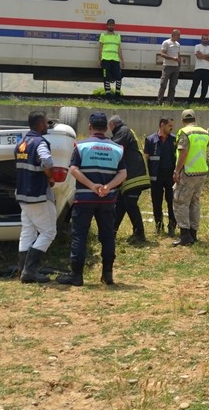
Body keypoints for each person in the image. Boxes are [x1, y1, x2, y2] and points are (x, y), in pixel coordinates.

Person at [59, 112, 126, 286]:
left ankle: (77, 275)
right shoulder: (117, 148)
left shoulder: (81, 146)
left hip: (84, 199)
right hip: (107, 200)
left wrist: (91, 186)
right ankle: (108, 274)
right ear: (106, 128)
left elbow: (73, 169)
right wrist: (108, 187)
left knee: (79, 236)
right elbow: (123, 173)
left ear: (90, 127)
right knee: (107, 236)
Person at [14, 111, 60, 283]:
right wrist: (50, 176)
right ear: (40, 124)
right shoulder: (40, 142)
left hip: (23, 196)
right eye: (47, 123)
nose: (47, 126)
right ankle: (30, 271)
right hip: (38, 195)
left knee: (28, 231)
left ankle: (22, 269)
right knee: (49, 232)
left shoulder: (22, 143)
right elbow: (47, 161)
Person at [171, 109, 209, 246]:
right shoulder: (204, 132)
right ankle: (193, 234)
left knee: (180, 201)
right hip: (202, 172)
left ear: (182, 120)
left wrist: (176, 171)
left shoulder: (184, 133)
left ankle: (185, 235)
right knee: (195, 202)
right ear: (195, 119)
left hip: (188, 172)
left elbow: (183, 153)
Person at [109, 115, 151, 244]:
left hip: (134, 176)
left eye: (109, 127)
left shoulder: (123, 131)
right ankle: (111, 232)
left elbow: (114, 149)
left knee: (130, 204)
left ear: (113, 125)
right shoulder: (125, 131)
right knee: (120, 205)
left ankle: (140, 234)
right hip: (130, 175)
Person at [144, 118, 178, 235]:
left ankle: (172, 226)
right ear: (162, 125)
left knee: (172, 202)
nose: (171, 128)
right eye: (169, 125)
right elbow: (146, 158)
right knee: (156, 202)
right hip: (156, 176)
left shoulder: (174, 140)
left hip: (170, 176)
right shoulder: (150, 140)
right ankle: (159, 226)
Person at [98, 18, 123, 99]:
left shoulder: (118, 36)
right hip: (105, 60)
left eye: (112, 25)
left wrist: (122, 60)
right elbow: (100, 48)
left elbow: (119, 49)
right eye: (109, 25)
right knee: (106, 78)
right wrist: (99, 59)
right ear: (107, 26)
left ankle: (117, 95)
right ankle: (108, 95)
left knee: (119, 77)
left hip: (115, 60)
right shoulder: (103, 36)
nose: (111, 26)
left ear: (114, 26)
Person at [158, 29, 183, 104]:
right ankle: (159, 100)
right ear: (173, 35)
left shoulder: (178, 44)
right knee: (163, 84)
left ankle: (170, 102)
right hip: (167, 66)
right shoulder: (166, 43)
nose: (179, 37)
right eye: (178, 35)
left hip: (175, 67)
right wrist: (172, 58)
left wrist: (179, 64)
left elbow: (178, 55)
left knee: (173, 86)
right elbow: (162, 54)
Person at [188, 33, 209, 102]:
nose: (205, 40)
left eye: (207, 39)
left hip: (207, 69)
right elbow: (198, 56)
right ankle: (190, 100)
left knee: (205, 86)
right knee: (195, 85)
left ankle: (202, 101)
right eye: (204, 39)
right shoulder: (197, 46)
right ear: (201, 39)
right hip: (198, 68)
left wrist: (202, 55)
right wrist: (207, 55)